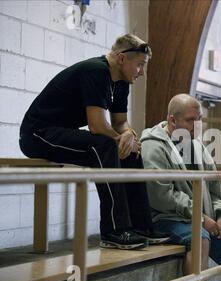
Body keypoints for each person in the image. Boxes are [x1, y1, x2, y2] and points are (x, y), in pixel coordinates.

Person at [19, 34, 169, 250]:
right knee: (105, 145)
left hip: (61, 132)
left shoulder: (122, 82)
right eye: (140, 65)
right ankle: (113, 231)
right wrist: (121, 139)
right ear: (121, 58)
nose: (142, 72)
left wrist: (129, 136)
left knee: (132, 150)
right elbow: (97, 126)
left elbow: (120, 122)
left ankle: (141, 226)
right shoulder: (96, 71)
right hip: (37, 135)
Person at [140, 93, 221, 281]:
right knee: (200, 239)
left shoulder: (196, 144)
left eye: (200, 118)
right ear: (172, 120)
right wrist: (201, 218)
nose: (198, 125)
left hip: (201, 218)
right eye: (191, 120)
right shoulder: (154, 145)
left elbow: (214, 189)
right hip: (165, 218)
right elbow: (161, 196)